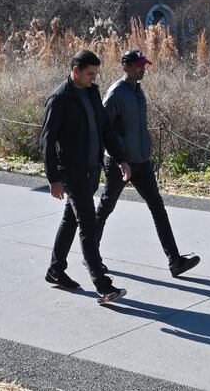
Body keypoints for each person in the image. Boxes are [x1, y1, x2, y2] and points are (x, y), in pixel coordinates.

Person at [95, 49, 201, 278]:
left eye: (144, 64)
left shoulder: (138, 91)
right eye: (138, 65)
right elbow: (103, 128)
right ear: (126, 66)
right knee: (105, 208)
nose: (142, 68)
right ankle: (91, 256)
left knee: (158, 207)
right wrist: (119, 156)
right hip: (119, 162)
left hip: (141, 161)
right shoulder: (116, 93)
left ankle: (175, 261)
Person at [42, 49, 131, 304]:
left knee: (71, 220)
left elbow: (105, 129)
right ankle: (102, 285)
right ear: (76, 71)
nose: (94, 78)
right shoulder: (60, 98)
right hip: (72, 172)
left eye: (96, 73)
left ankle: (56, 270)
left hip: (92, 169)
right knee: (88, 225)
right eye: (90, 73)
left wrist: (121, 158)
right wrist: (54, 177)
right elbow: (47, 141)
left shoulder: (91, 92)